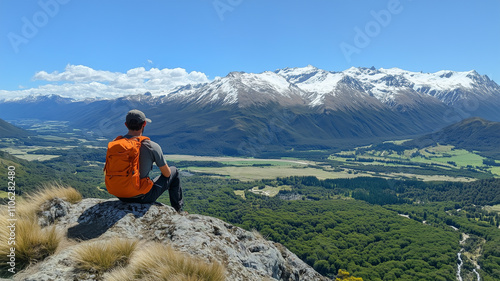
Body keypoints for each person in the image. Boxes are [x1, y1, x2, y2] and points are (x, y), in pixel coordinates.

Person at [105, 109, 184, 212]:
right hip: (142, 197)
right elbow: (167, 174)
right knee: (174, 171)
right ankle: (178, 210)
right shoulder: (151, 146)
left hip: (119, 194)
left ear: (126, 124)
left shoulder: (115, 144)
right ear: (144, 124)